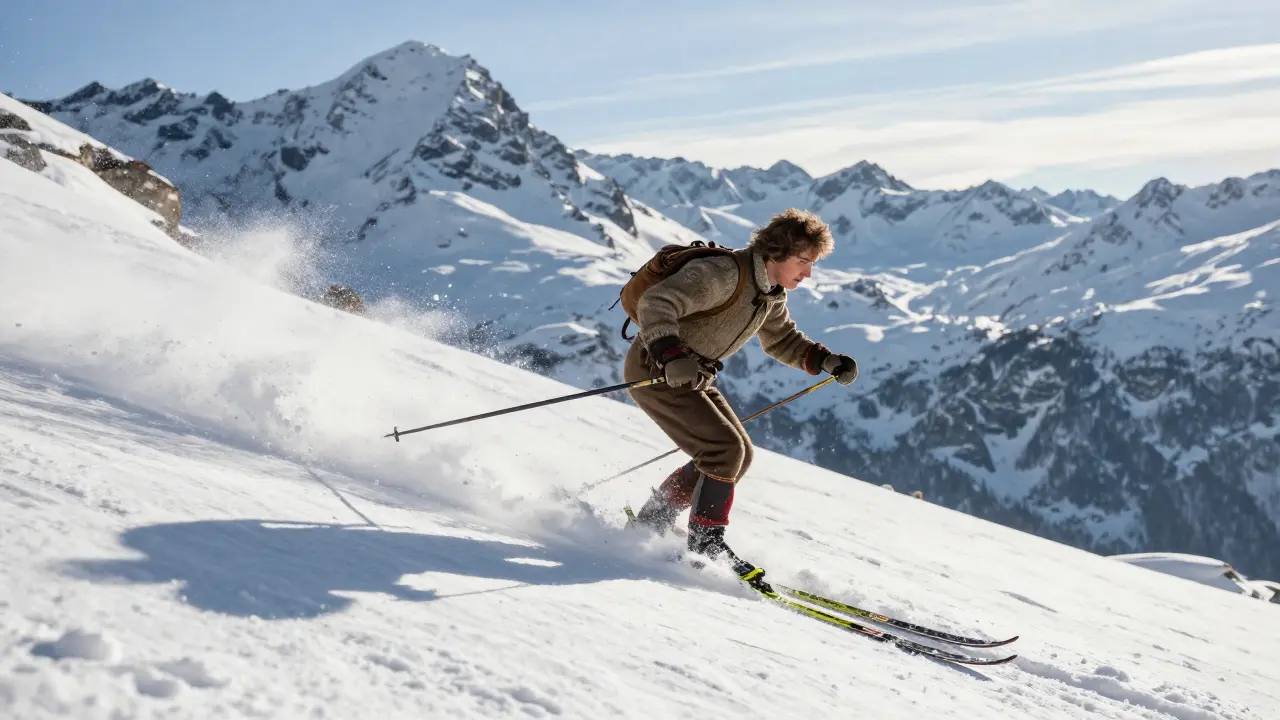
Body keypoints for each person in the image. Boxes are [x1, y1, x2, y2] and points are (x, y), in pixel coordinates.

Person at [625, 208, 859, 585]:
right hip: (657, 369)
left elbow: (782, 339)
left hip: (691, 375)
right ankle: (705, 542)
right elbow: (657, 302)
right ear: (776, 252)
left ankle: (653, 521)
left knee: (737, 455)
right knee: (723, 452)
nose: (808, 272)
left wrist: (825, 360)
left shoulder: (770, 292)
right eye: (803, 261)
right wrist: (670, 353)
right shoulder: (723, 274)